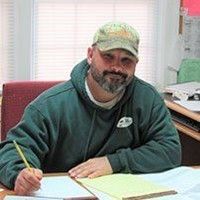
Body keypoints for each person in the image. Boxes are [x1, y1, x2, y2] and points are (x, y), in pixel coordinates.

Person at [0, 21, 181, 195]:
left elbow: (170, 149)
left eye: (126, 60)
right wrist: (19, 173)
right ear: (90, 55)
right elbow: (14, 149)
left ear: (136, 64)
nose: (117, 67)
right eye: (108, 56)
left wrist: (114, 162)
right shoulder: (51, 105)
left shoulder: (147, 98)